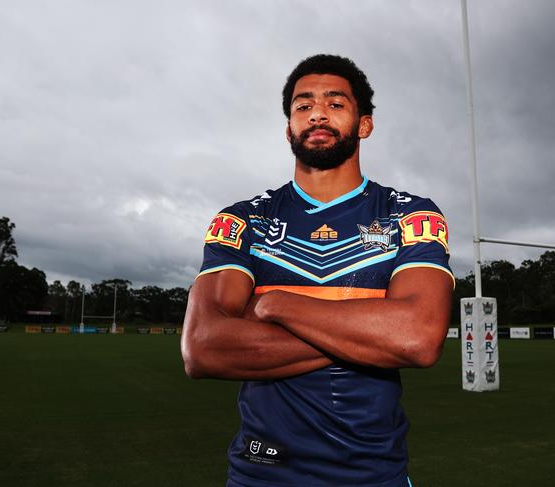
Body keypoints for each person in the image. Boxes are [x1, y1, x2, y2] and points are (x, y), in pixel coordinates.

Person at [181, 54, 453, 487]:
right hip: (260, 474)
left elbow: (417, 337)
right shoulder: (242, 221)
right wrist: (369, 329)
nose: (318, 113)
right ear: (288, 127)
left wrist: (274, 303)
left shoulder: (408, 214)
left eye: (335, 103)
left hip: (373, 475)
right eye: (303, 105)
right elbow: (203, 347)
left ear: (365, 124)